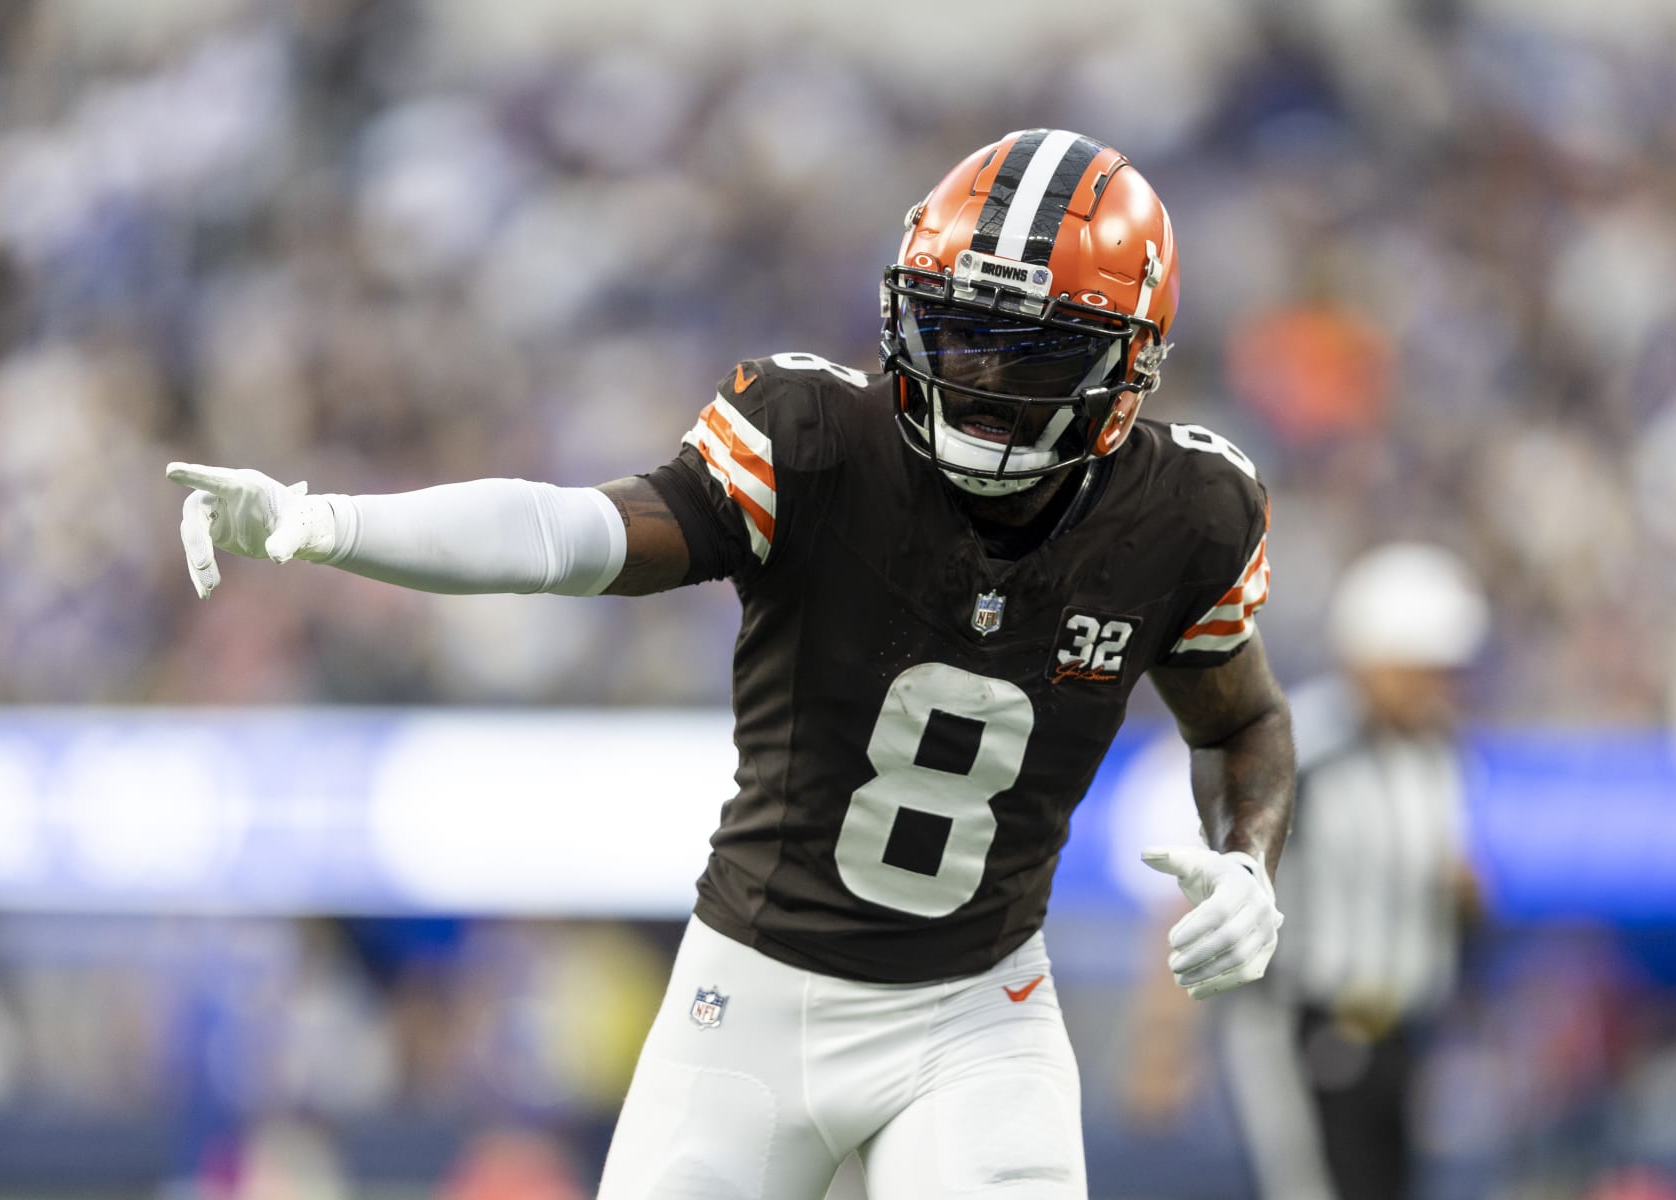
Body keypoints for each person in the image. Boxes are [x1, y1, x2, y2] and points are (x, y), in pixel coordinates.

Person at [168, 128, 1296, 1199]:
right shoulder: (813, 437)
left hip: (978, 1011)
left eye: (1036, 349)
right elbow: (569, 535)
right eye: (957, 329)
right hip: (754, 993)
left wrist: (1249, 862)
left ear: (1128, 365)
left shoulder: (1188, 512)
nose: (984, 373)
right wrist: (325, 524)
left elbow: (1241, 720)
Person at [1208, 541, 1489, 1200]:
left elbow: (1448, 891)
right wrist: (1164, 1032)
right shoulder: (1303, 747)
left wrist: (1466, 900)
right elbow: (1218, 873)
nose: (1439, 687)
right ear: (1372, 656)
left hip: (1400, 1030)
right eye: (1423, 668)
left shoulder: (1438, 756)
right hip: (1304, 1022)